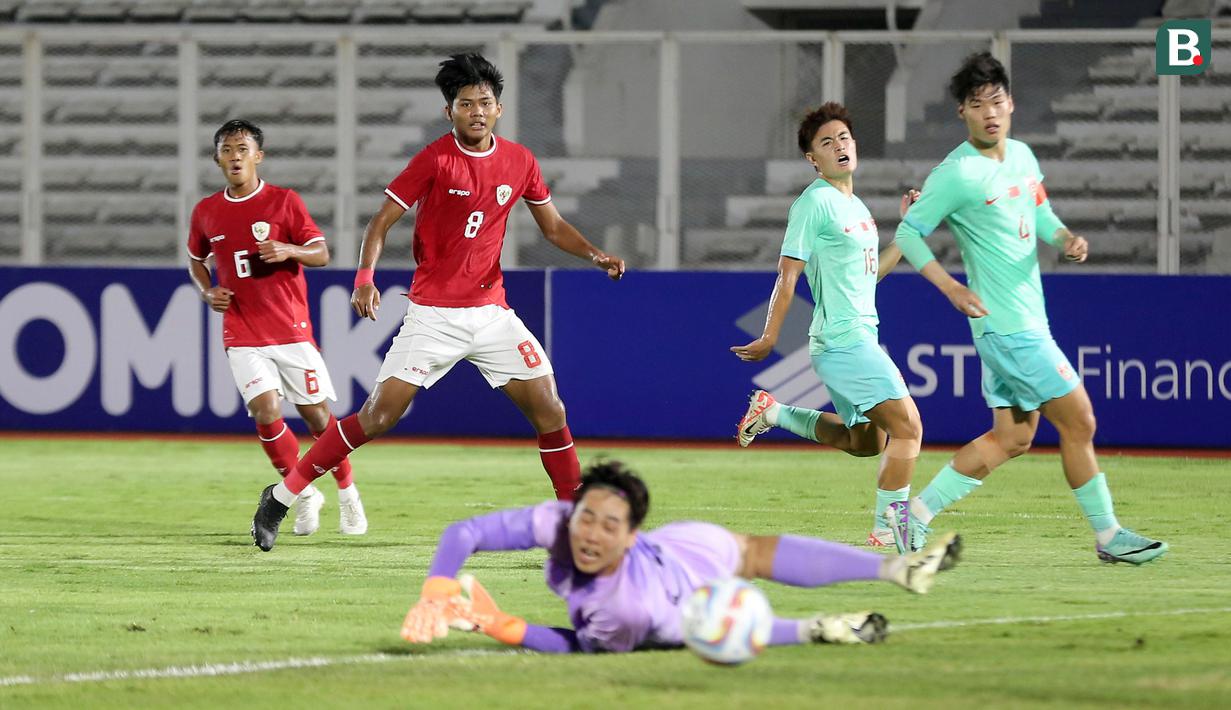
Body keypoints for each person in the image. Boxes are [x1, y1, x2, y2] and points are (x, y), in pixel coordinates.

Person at [251, 54, 625, 551]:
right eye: (465, 103)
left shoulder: (520, 161)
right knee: (378, 418)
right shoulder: (434, 160)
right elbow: (380, 222)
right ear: (449, 112)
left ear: (500, 109)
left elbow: (552, 227)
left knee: (551, 411)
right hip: (434, 316)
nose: (476, 110)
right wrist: (365, 278)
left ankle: (571, 520)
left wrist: (596, 254)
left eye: (485, 102)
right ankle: (279, 496)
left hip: (492, 314)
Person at [890, 52, 1166, 564]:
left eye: (996, 101)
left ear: (1010, 103)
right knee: (1080, 421)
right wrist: (950, 288)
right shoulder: (956, 173)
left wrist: (1065, 237)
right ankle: (1109, 537)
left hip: (1024, 323)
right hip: (1008, 329)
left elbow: (1039, 211)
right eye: (977, 105)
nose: (989, 112)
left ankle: (914, 517)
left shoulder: (1021, 156)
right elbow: (909, 232)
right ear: (963, 114)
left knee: (1011, 437)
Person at [399, 461, 962, 654]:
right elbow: (464, 531)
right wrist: (437, 586)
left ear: (631, 534)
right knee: (750, 556)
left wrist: (500, 625)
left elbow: (577, 647)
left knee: (717, 624)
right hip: (676, 561)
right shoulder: (560, 521)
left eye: (608, 525)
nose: (590, 534)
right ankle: (836, 617)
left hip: (677, 582)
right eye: (586, 518)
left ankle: (874, 586)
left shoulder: (623, 610)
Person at [731, 102, 924, 550]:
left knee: (867, 442)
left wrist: (908, 231)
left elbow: (868, 276)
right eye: (826, 142)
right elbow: (788, 273)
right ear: (811, 159)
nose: (839, 146)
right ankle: (888, 530)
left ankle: (774, 412)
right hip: (844, 342)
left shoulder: (853, 206)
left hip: (852, 339)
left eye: (844, 138)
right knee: (909, 427)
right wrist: (771, 336)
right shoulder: (814, 202)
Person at [188, 119, 367, 539]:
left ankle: (348, 492)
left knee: (319, 419)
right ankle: (301, 495)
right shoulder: (206, 211)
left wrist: (288, 249)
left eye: (243, 148)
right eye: (227, 149)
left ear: (258, 156)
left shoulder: (284, 202)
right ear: (217, 158)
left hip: (291, 329)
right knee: (265, 411)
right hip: (242, 331)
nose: (235, 156)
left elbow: (321, 252)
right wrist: (206, 290)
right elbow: (197, 260)